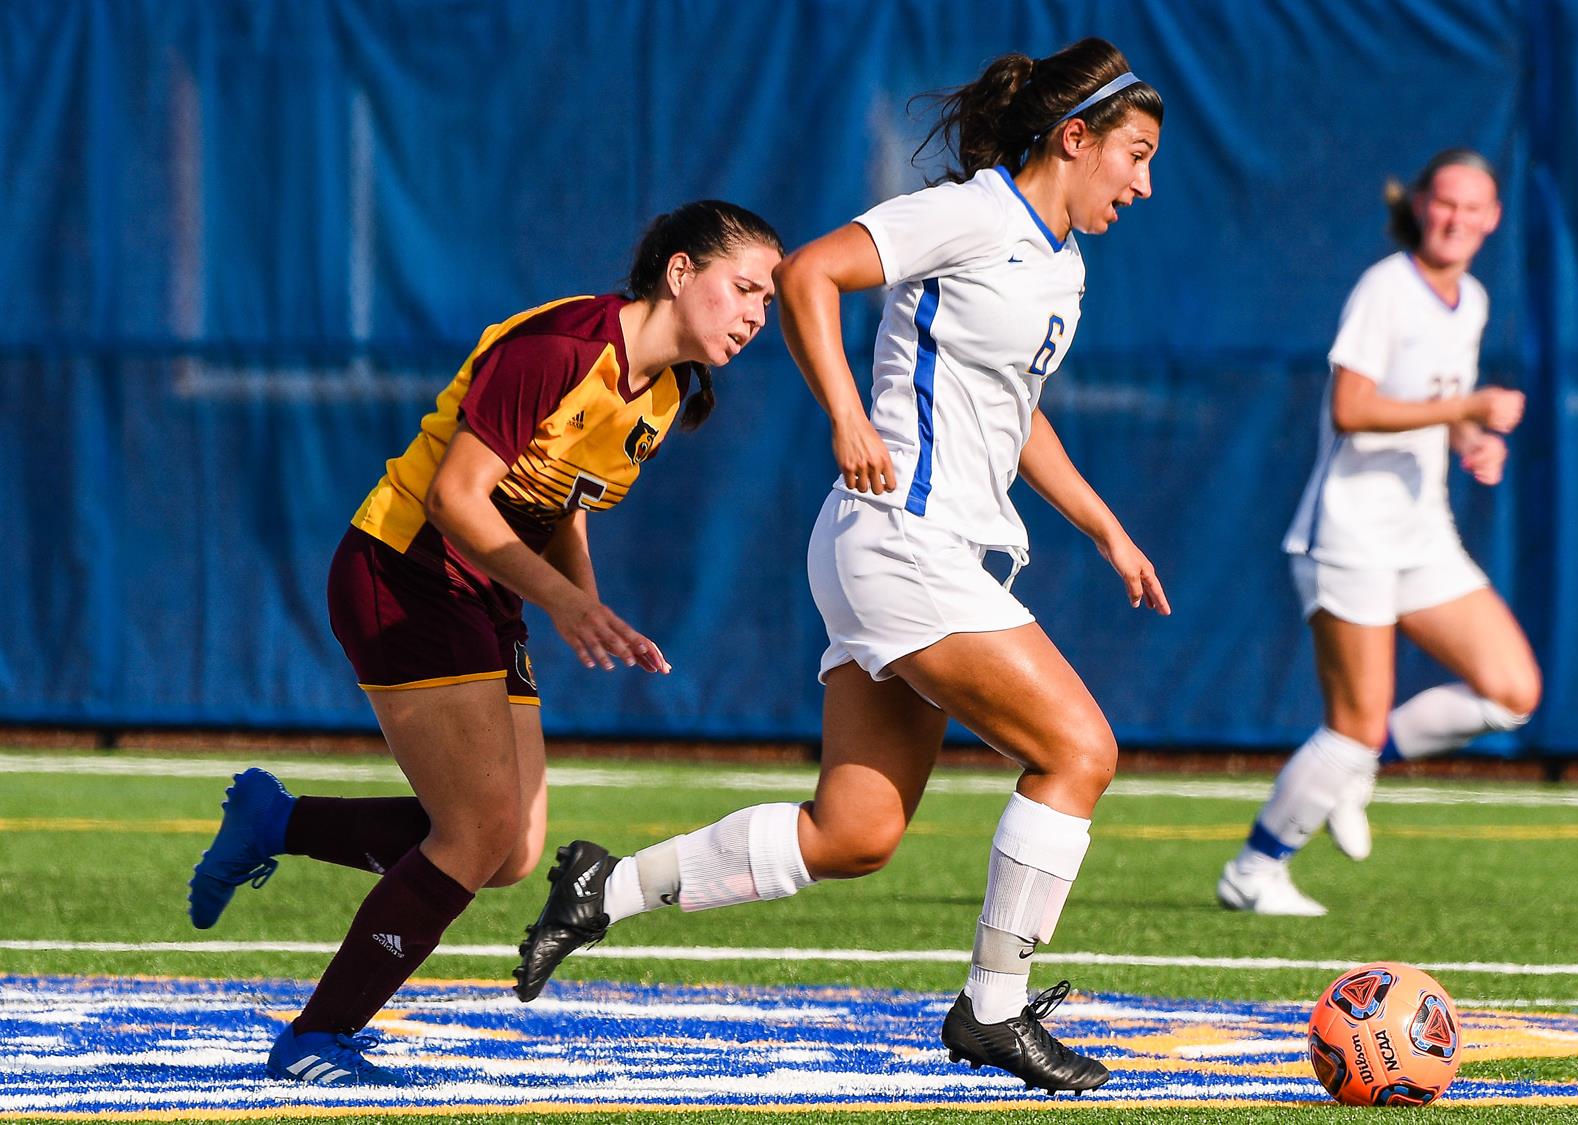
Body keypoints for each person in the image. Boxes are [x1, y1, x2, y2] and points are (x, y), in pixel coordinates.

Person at [510, 38, 1166, 1096]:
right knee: (1079, 750)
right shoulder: (978, 212)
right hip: (898, 541)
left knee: (853, 833)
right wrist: (847, 415)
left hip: (921, 550)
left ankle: (604, 887)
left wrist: (1103, 527)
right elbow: (813, 270)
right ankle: (991, 1011)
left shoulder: (1061, 264)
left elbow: (1013, 414)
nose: (1140, 183)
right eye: (1132, 154)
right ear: (1074, 137)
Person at [183, 201, 784, 1086]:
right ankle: (316, 1036)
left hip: (482, 590)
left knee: (511, 849)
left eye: (767, 299)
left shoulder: (660, 395)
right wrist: (564, 605)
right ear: (680, 272)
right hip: (405, 570)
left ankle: (279, 820)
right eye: (745, 288)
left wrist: (588, 603)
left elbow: (563, 501)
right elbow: (456, 498)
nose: (756, 314)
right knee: (477, 830)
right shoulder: (558, 349)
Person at [1217, 149, 1541, 916]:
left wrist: (1473, 441)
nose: (1456, 220)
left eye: (1474, 208)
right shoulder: (1386, 288)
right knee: (1353, 722)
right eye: (1445, 203)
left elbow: (1442, 399)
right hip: (1350, 534)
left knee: (1512, 691)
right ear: (1421, 204)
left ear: (1494, 218)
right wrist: (1469, 411)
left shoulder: (1472, 299)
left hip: (1423, 534)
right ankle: (1254, 870)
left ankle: (1354, 771)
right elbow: (1352, 410)